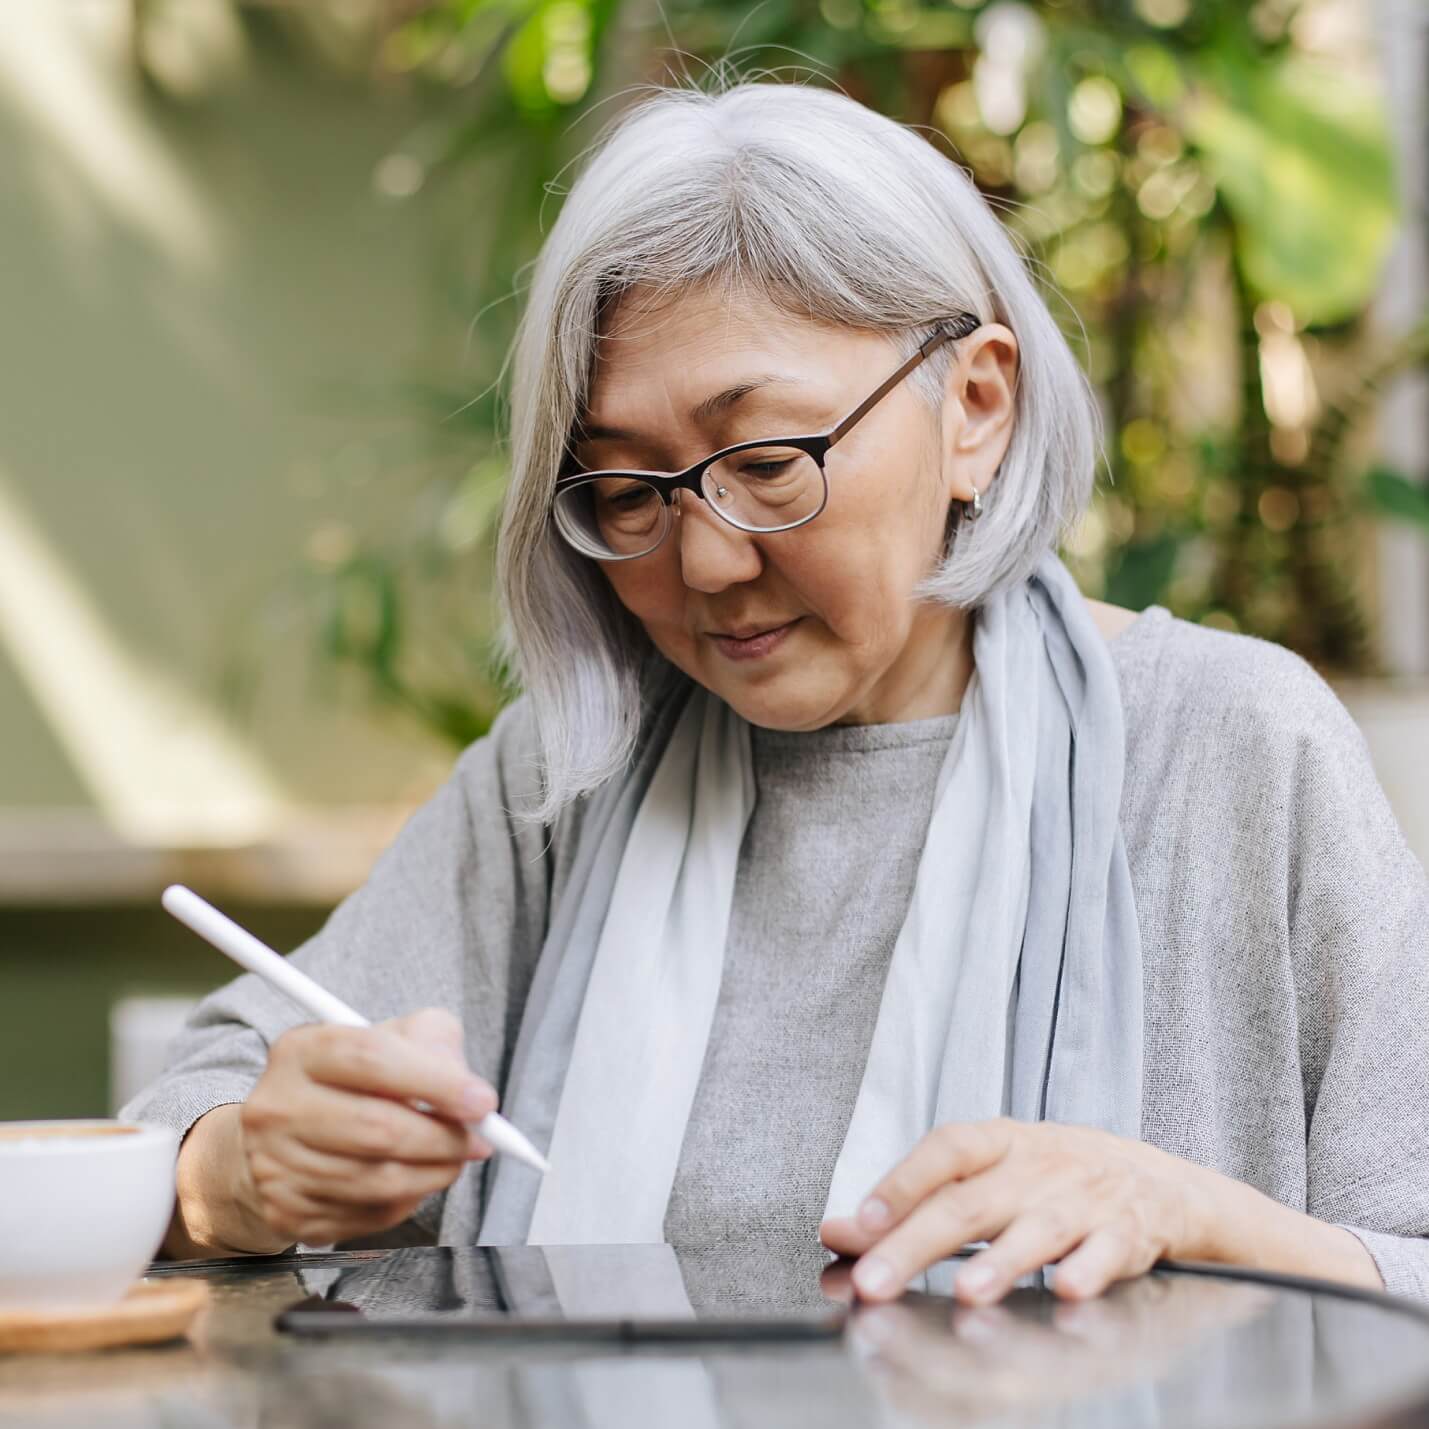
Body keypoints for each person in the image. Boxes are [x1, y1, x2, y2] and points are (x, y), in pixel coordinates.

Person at [124, 81, 1429, 1306]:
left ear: (973, 406)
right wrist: (235, 1173)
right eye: (628, 491)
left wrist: (1180, 1209)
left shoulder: (1228, 746)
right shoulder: (563, 777)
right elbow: (175, 1123)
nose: (703, 559)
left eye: (764, 459)